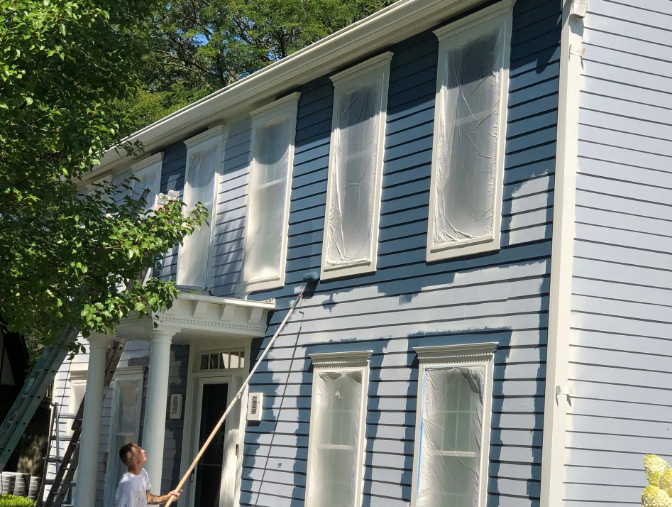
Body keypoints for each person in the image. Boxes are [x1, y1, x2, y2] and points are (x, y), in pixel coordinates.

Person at [115, 442, 181, 507]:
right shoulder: (128, 484)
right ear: (134, 460)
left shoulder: (143, 473)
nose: (143, 451)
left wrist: (167, 497)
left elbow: (148, 498)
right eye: (139, 451)